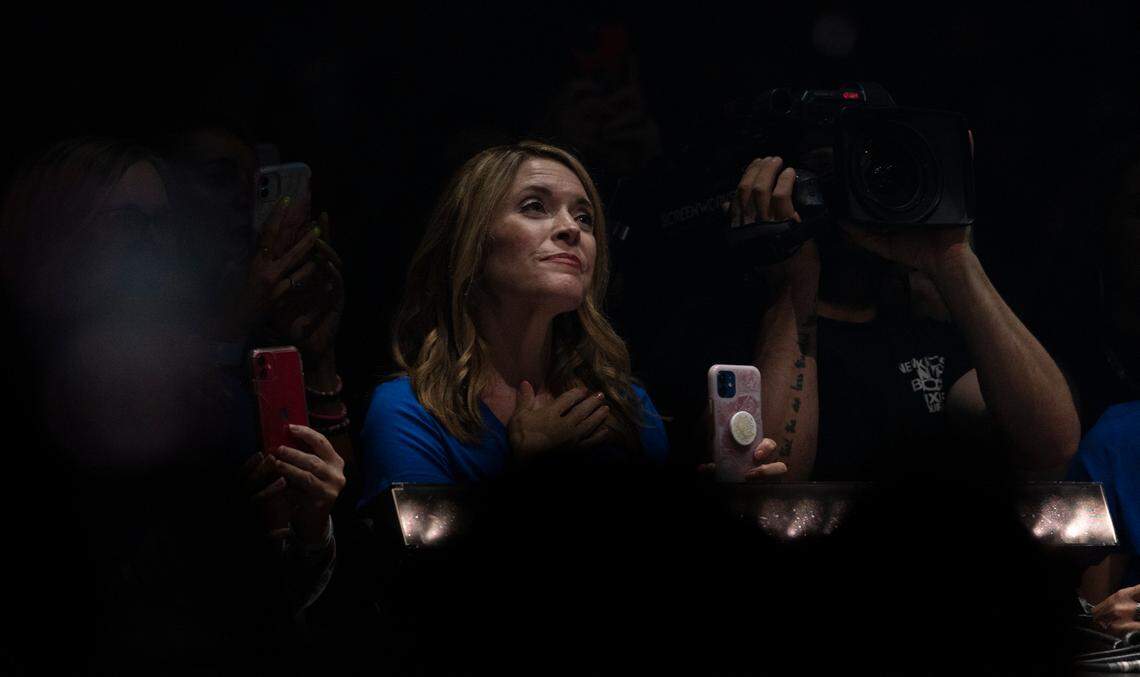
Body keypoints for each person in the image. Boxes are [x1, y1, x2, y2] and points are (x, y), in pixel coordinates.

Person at [0, 137, 346, 670]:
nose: (156, 245)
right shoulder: (50, 401)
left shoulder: (191, 401)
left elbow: (256, 613)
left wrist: (296, 527)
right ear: (54, 240)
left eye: (162, 224)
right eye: (129, 223)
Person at [358, 140, 785, 508]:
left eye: (584, 218)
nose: (570, 230)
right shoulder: (409, 411)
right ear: (471, 244)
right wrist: (526, 471)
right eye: (534, 207)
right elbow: (418, 587)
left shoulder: (627, 404)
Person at [738, 147, 1081, 481]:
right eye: (830, 174)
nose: (855, 194)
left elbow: (1049, 446)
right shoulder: (744, 330)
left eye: (869, 171)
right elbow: (772, 489)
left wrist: (952, 257)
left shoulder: (924, 332)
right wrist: (794, 282)